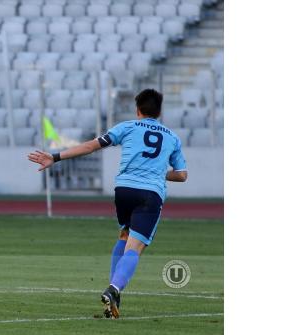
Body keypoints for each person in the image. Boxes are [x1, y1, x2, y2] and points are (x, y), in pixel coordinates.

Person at [28, 89, 187, 318]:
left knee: (124, 236)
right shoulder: (172, 138)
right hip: (150, 193)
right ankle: (114, 288)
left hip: (123, 190)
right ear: (159, 112)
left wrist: (54, 157)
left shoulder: (127, 126)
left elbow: (91, 146)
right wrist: (157, 172)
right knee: (135, 248)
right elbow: (182, 175)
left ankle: (114, 299)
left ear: (137, 110)